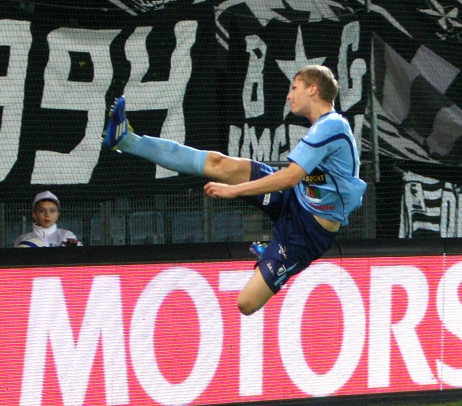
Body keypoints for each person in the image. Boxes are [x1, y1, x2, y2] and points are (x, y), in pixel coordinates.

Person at [102, 65, 367, 315]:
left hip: (307, 232)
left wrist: (234, 190)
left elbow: (289, 177)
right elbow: (293, 181)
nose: (289, 95)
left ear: (313, 89)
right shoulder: (323, 127)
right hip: (294, 197)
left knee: (246, 303)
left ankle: (276, 257)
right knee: (219, 164)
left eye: (294, 87)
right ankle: (126, 139)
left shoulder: (331, 125)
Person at [14, 191, 82, 247]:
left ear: (57, 215)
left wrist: (73, 250)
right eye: (42, 211)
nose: (47, 215)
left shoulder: (66, 236)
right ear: (34, 215)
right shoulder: (23, 239)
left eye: (52, 211)